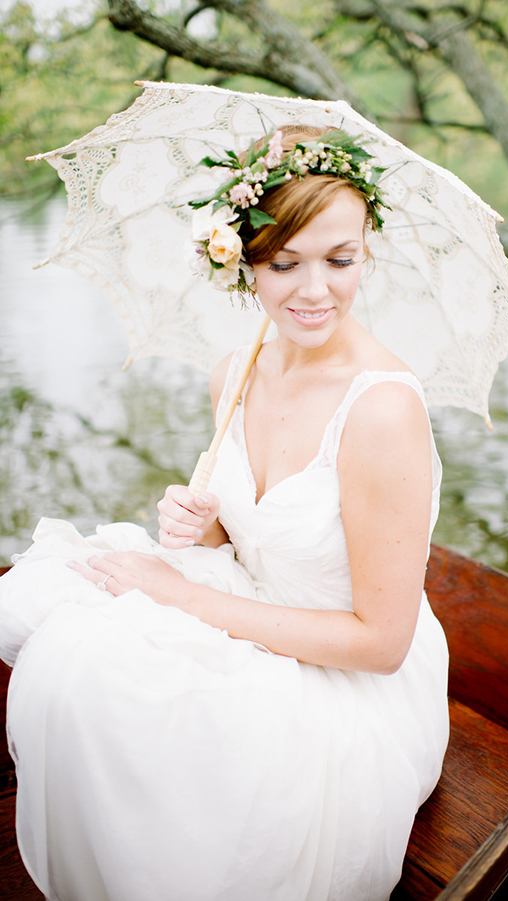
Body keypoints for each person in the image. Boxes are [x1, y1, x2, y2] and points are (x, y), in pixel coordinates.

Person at [0, 126, 449, 901]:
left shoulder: (380, 412)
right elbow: (244, 536)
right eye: (285, 263)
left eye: (340, 260)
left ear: (365, 250)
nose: (315, 292)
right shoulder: (234, 372)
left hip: (348, 677)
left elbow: (380, 643)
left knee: (127, 693)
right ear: (241, 259)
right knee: (74, 657)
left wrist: (183, 592)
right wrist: (201, 521)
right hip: (250, 607)